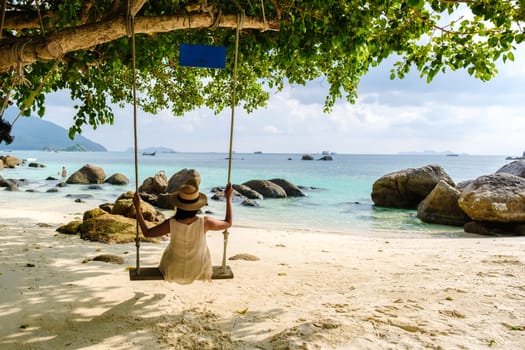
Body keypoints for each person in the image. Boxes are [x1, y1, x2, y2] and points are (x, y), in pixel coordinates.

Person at [133, 182, 233, 284]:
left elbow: (147, 233)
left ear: (178, 205)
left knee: (170, 253)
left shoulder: (171, 223)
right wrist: (228, 198)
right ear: (197, 206)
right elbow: (228, 223)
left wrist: (137, 209)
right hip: (198, 270)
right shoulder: (205, 223)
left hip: (172, 271)